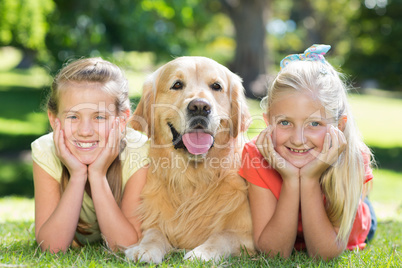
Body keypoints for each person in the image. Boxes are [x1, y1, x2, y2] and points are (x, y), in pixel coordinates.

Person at [239, 45, 376, 260]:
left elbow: (324, 255)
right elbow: (273, 253)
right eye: (285, 122)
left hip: (349, 226)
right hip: (294, 233)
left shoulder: (352, 155)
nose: (298, 139)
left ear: (339, 126)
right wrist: (292, 179)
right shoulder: (255, 154)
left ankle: (362, 202)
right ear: (267, 123)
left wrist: (310, 179)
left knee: (362, 208)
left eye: (314, 123)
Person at [31, 58, 149, 253]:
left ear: (122, 121)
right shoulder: (45, 150)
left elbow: (127, 245)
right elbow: (51, 247)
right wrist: (77, 175)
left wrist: (97, 175)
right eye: (73, 116)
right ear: (53, 119)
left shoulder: (139, 151)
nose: (85, 131)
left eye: (99, 117)